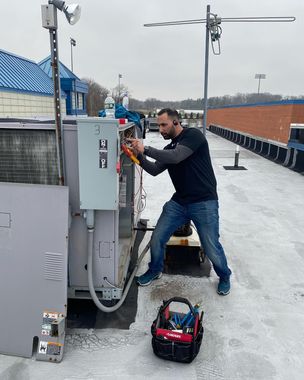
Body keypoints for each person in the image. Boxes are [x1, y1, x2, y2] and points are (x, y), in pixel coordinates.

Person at [128, 108, 231, 295]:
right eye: (158, 125)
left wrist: (147, 149)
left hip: (204, 201)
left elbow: (177, 157)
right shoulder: (169, 149)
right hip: (180, 201)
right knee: (158, 237)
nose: (160, 129)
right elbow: (154, 169)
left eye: (164, 125)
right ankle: (155, 269)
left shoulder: (194, 136)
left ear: (176, 122)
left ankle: (224, 276)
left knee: (210, 245)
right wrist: (137, 155)